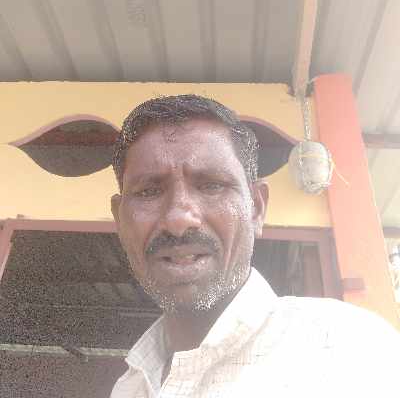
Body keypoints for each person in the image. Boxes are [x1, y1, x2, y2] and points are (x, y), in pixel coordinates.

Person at [110, 94, 400, 397]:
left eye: (212, 185)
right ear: (120, 219)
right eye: (148, 191)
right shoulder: (129, 387)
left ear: (257, 208)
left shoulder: (350, 351)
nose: (179, 219)